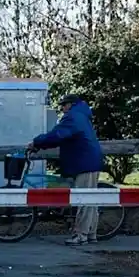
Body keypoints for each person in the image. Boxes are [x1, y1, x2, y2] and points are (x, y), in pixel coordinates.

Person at [25, 93, 104, 245]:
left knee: (84, 200)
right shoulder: (81, 115)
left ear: (70, 104)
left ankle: (80, 235)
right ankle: (91, 234)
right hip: (89, 160)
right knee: (91, 200)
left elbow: (57, 135)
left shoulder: (73, 117)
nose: (62, 108)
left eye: (63, 105)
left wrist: (36, 142)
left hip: (84, 162)